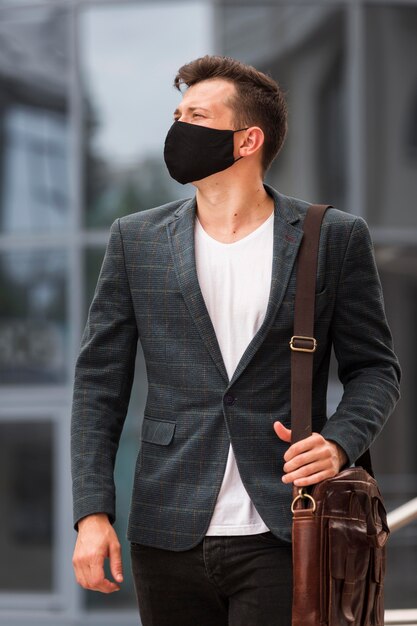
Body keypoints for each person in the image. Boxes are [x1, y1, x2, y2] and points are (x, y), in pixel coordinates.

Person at [71, 55, 401, 626]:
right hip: (167, 528)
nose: (178, 129)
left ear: (248, 139)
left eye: (196, 115)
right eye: (176, 114)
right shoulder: (136, 240)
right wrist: (92, 514)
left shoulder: (333, 236)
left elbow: (376, 369)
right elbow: (99, 383)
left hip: (286, 524)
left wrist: (340, 442)